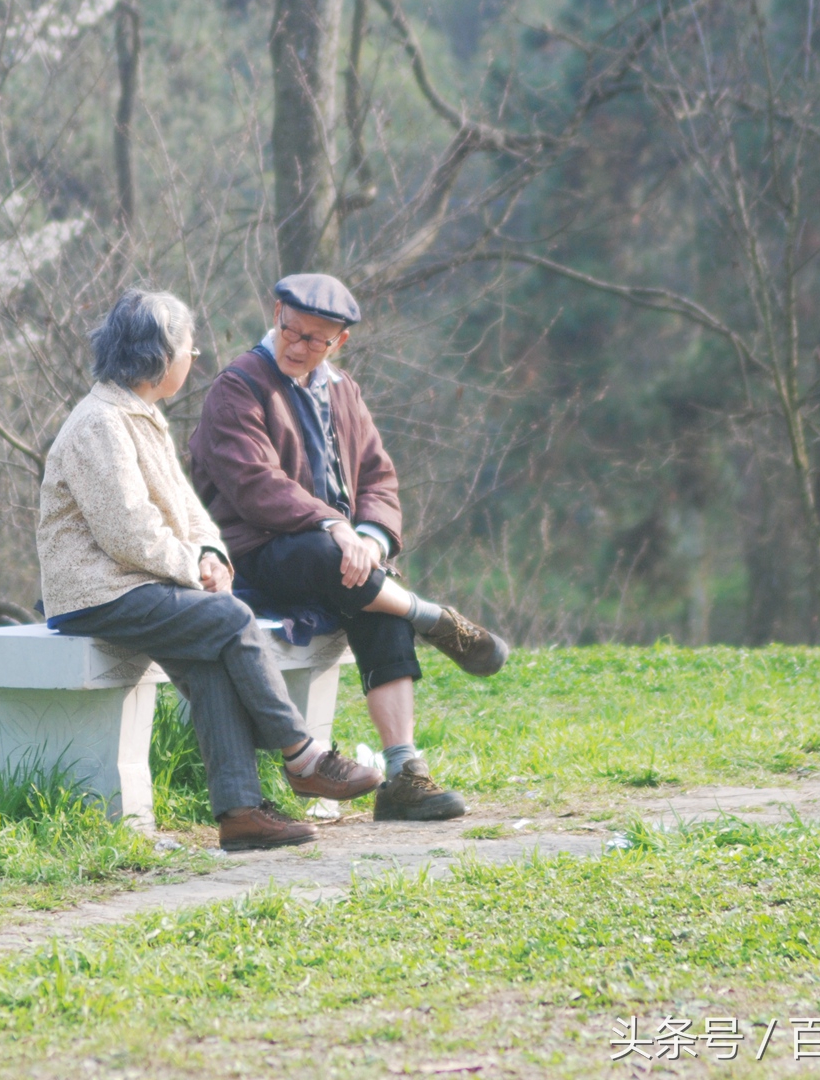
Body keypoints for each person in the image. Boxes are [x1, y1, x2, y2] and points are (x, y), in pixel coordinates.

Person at [38, 289, 382, 851]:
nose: (193, 357)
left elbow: (187, 509)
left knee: (211, 660)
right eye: (187, 348)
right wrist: (193, 570)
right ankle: (303, 757)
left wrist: (211, 555)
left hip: (141, 582)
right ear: (158, 355)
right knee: (229, 619)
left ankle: (241, 813)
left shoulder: (141, 415)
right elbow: (127, 530)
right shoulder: (99, 423)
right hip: (97, 592)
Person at [189, 273, 509, 823]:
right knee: (343, 567)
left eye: (316, 339)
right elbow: (255, 485)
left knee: (372, 600)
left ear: (340, 341)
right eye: (291, 330)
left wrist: (368, 536)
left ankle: (405, 773)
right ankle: (434, 618)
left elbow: (379, 480)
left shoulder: (343, 389)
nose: (297, 345)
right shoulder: (238, 386)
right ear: (276, 312)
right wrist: (335, 527)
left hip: (340, 558)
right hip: (256, 555)